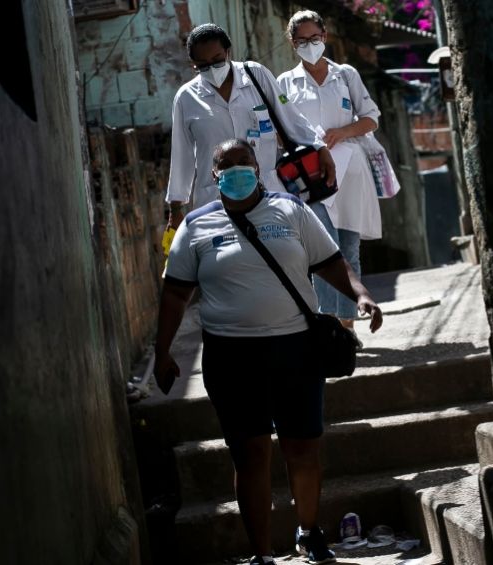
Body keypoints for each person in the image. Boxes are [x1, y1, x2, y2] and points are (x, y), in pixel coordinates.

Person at [154, 139, 383, 564]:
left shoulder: (290, 211)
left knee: (303, 446)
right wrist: (162, 352)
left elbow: (331, 261)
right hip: (231, 357)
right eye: (227, 165)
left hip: (296, 348)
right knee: (250, 452)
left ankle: (309, 531)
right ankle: (261, 554)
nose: (237, 170)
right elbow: (174, 294)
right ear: (214, 174)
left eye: (245, 162)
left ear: (257, 167)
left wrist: (361, 295)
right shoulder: (196, 226)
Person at [277, 10, 383, 346]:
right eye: (302, 40)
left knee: (349, 249)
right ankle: (328, 327)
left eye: (315, 37)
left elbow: (371, 119)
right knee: (322, 252)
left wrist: (342, 132)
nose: (310, 45)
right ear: (293, 43)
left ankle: (347, 327)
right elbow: (281, 130)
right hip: (312, 180)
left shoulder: (346, 75)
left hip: (350, 172)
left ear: (325, 34)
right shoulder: (284, 83)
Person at [165, 23, 336, 230]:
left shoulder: (256, 76)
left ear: (228, 52)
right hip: (215, 200)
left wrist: (320, 147)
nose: (211, 68)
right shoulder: (186, 98)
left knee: (281, 254)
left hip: (267, 191)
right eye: (203, 65)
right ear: (193, 64)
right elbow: (181, 156)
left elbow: (291, 117)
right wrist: (175, 210)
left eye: (217, 60)